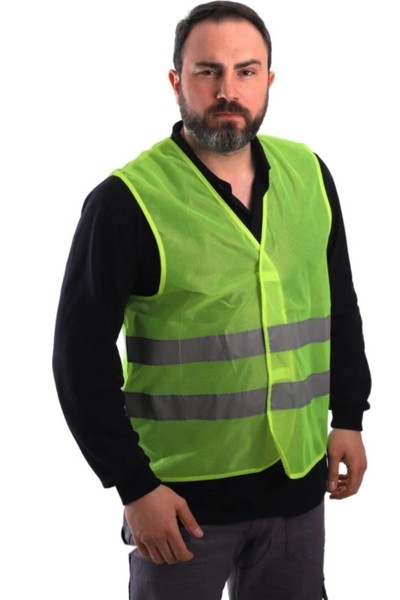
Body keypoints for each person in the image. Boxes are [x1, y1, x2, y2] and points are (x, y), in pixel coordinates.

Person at [52, 2, 371, 599]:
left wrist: (349, 416)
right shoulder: (126, 202)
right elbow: (79, 358)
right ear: (177, 81)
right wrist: (134, 487)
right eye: (208, 72)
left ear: (269, 79)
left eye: (246, 71)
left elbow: (339, 304)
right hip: (179, 505)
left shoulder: (309, 175)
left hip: (297, 488)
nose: (228, 90)